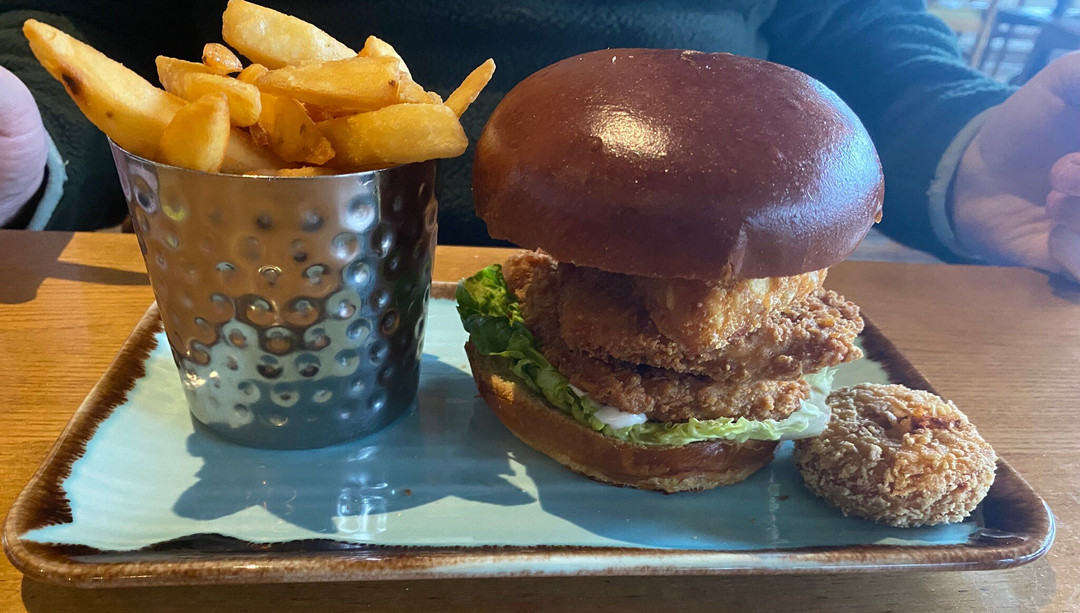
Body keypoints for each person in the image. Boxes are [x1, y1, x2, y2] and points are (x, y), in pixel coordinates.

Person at [0, 0, 1077, 281]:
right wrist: (29, 147)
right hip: (234, 259)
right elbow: (70, 19)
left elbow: (852, 25)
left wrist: (964, 145)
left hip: (768, 234)